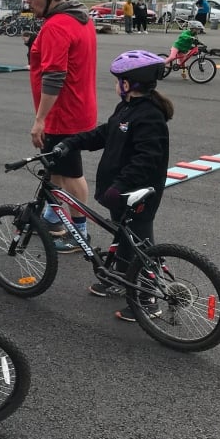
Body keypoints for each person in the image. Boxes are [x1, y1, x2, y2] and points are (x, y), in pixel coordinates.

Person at [50, 50, 172, 322]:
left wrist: (121, 184)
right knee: (124, 235)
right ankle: (120, 279)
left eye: (119, 80)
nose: (116, 84)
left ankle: (148, 298)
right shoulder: (127, 108)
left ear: (129, 83)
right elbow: (106, 133)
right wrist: (72, 142)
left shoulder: (149, 116)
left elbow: (147, 159)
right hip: (120, 191)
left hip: (139, 193)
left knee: (140, 242)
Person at [19, 0, 99, 253]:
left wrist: (39, 120)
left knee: (71, 174)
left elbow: (55, 76)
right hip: (78, 108)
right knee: (53, 167)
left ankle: (79, 232)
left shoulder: (57, 26)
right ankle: (53, 217)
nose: (29, 2)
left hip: (63, 115)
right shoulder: (81, 19)